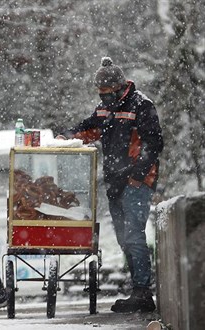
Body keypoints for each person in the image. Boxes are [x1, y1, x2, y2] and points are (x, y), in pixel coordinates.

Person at [57, 57, 163, 313]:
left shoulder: (141, 105)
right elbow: (90, 128)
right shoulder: (106, 109)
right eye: (100, 96)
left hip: (137, 182)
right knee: (123, 238)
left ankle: (142, 292)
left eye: (107, 95)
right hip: (115, 182)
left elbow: (154, 143)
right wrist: (65, 136)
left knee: (134, 236)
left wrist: (137, 175)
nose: (104, 100)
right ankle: (137, 289)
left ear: (120, 88)